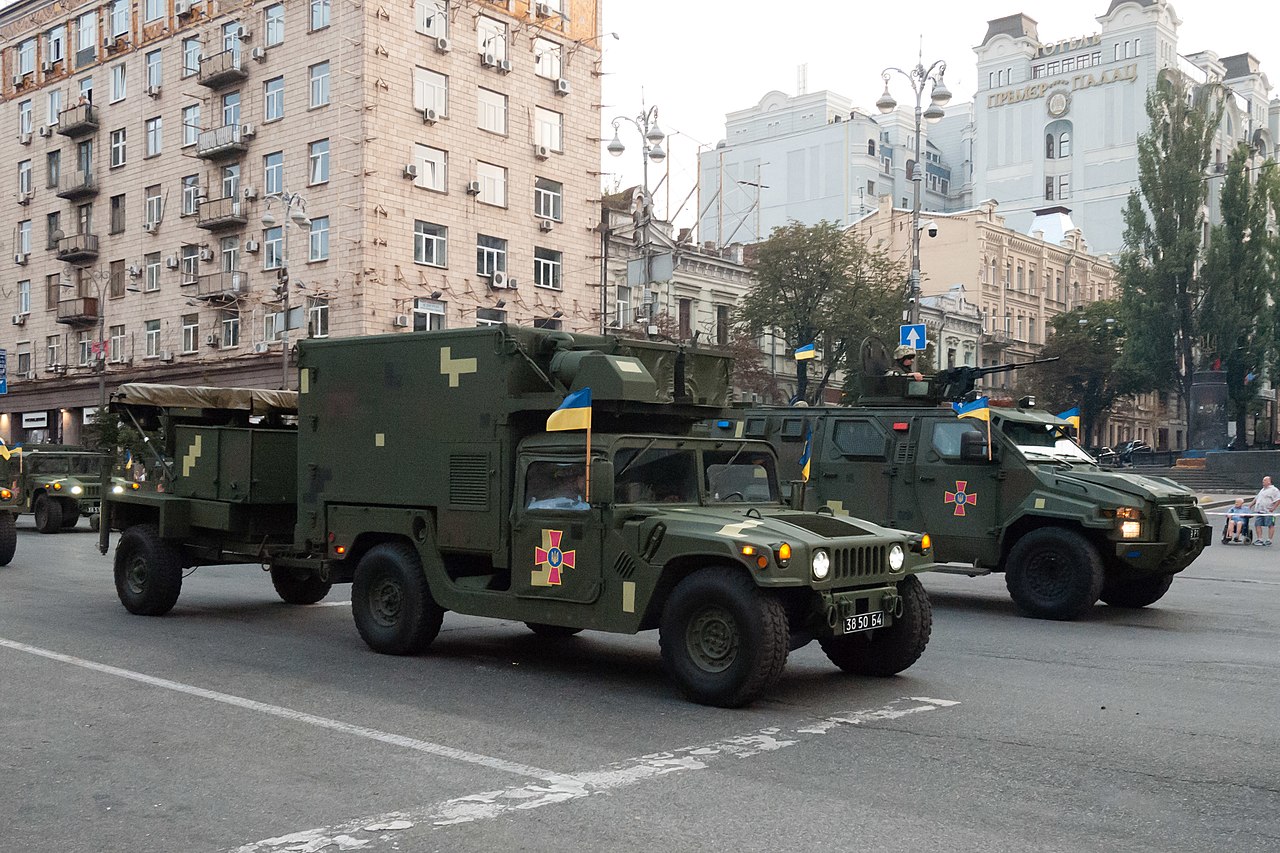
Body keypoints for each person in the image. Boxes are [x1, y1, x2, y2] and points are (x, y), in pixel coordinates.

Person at [1250, 475, 1280, 546]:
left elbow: (1278, 500)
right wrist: (1250, 505)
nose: (1263, 482)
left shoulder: (1274, 490)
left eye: (1264, 480)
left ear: (1269, 481)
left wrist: (1273, 508)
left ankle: (1269, 540)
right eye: (1263, 480)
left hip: (1269, 512)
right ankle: (1260, 539)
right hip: (1260, 511)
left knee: (1270, 525)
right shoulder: (1262, 490)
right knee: (1257, 524)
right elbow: (1257, 498)